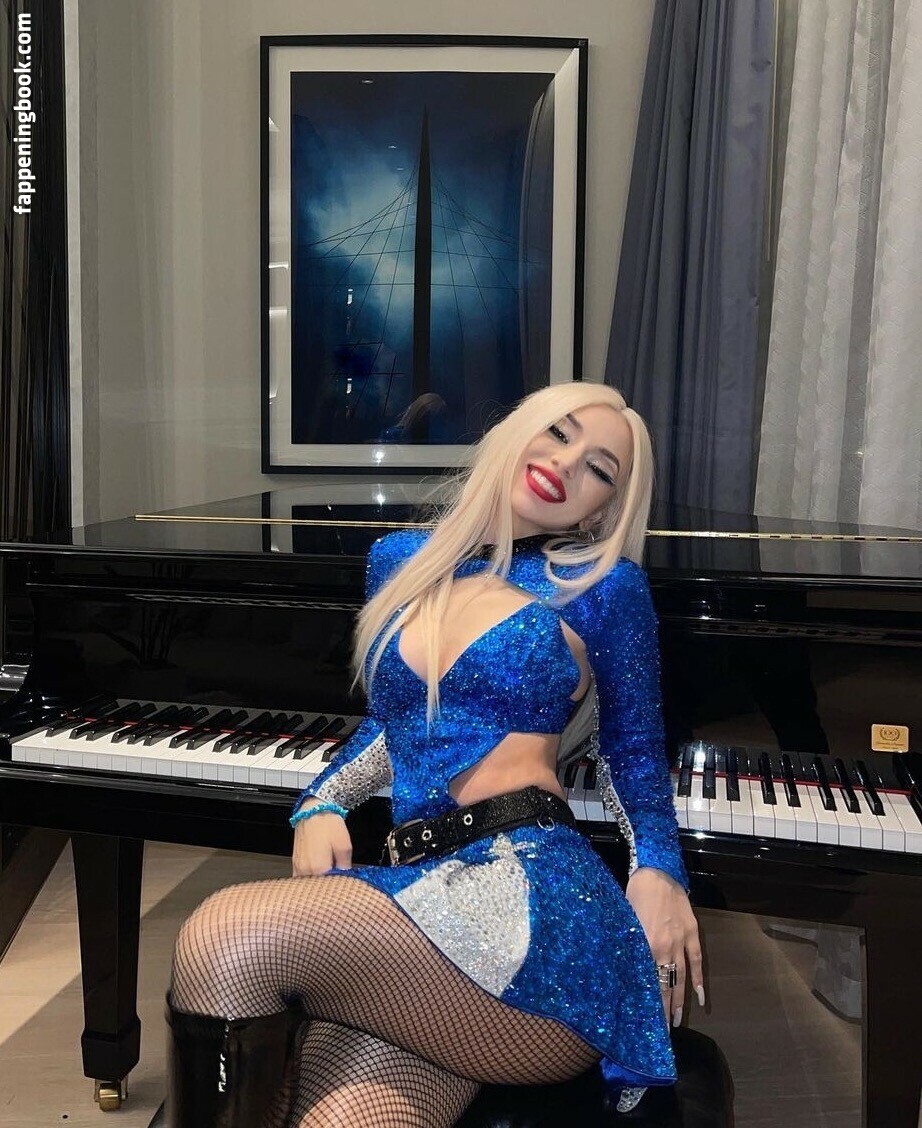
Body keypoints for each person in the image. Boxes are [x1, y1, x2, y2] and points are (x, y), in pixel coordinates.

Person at [166, 382, 703, 1128]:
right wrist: (320, 801)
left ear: (601, 511)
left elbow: (634, 754)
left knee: (226, 937)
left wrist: (659, 871)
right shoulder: (400, 559)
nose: (566, 463)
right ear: (516, 431)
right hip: (419, 899)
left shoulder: (603, 586)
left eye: (599, 469)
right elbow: (391, 727)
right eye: (558, 433)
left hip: (531, 904)